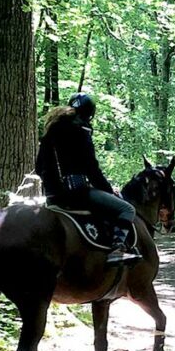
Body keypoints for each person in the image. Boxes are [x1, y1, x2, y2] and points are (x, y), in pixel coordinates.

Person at [35, 92, 141, 265]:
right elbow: (92, 169)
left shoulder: (49, 133)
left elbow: (39, 168)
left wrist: (53, 185)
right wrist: (108, 191)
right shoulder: (81, 130)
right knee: (127, 209)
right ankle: (117, 249)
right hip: (77, 194)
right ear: (89, 114)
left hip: (52, 197)